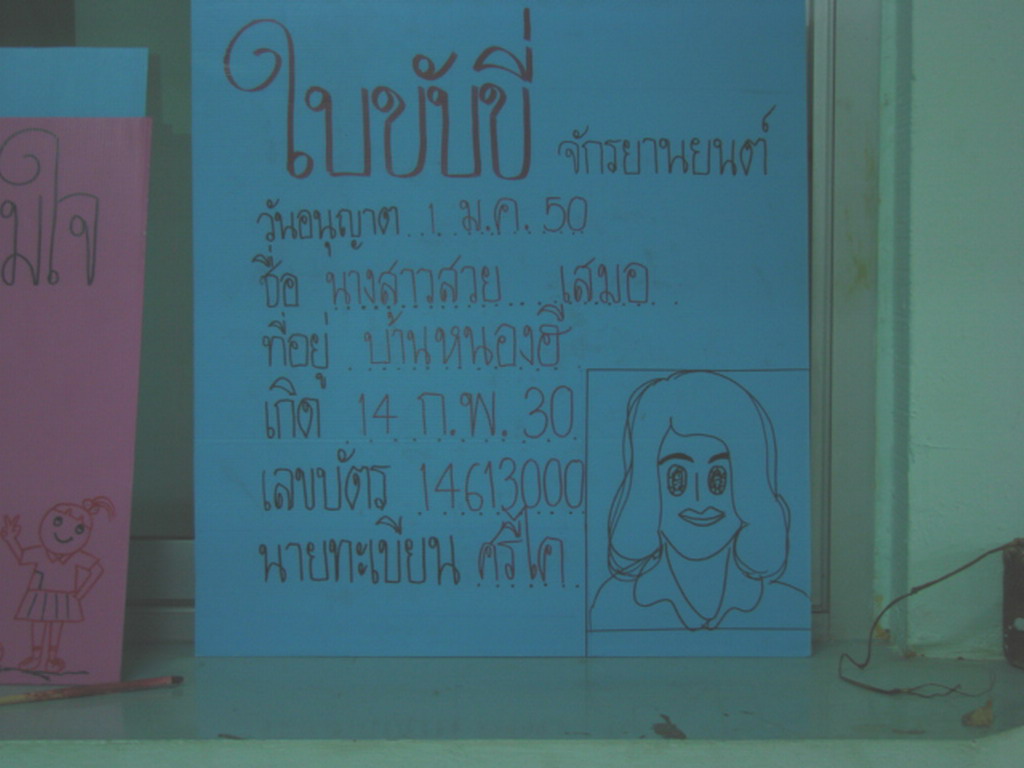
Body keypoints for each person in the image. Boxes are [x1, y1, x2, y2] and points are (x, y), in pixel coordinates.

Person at [588, 371, 807, 630]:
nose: (700, 501)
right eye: (677, 478)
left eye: (718, 477)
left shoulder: (789, 606)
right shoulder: (614, 604)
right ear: (646, 487)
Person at [1, 497, 114, 673]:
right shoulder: (40, 552)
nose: (64, 532)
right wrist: (10, 539)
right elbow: (22, 557)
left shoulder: (77, 556)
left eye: (78, 529)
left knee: (56, 625)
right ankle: (36, 657)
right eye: (58, 521)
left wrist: (80, 593)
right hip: (39, 593)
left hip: (63, 595)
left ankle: (52, 658)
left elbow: (97, 570)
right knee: (38, 623)